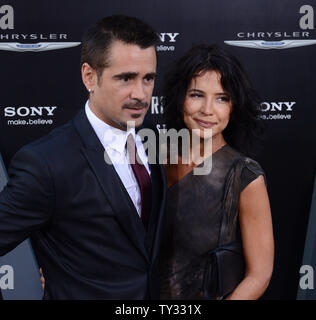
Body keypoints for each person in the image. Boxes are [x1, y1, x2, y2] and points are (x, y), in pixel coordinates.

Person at [0, 15, 167, 299]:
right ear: (89, 76)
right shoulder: (46, 163)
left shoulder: (150, 133)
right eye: (125, 78)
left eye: (148, 78)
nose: (140, 94)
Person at [159, 44, 274, 300]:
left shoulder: (244, 175)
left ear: (234, 107)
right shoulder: (154, 164)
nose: (207, 110)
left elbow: (260, 274)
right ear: (180, 99)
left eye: (222, 98)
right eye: (197, 95)